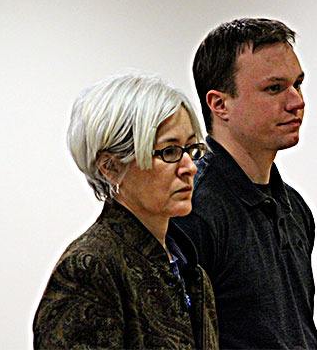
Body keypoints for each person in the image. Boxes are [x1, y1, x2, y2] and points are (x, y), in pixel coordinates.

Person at [33, 72, 218, 349]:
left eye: (191, 148)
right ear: (111, 167)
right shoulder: (90, 269)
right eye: (169, 151)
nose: (189, 167)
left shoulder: (189, 268)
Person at [175, 18, 317, 349]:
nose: (296, 101)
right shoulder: (191, 207)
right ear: (220, 104)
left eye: (298, 84)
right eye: (274, 88)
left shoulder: (295, 208)